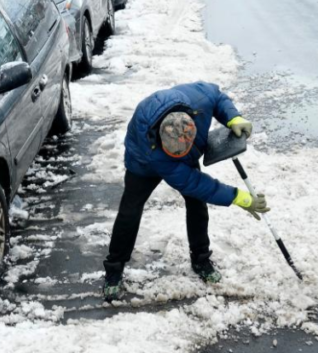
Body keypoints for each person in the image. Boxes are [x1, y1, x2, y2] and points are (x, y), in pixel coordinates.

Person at [103, 82, 270, 301]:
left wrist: (233, 117)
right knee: (130, 211)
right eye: (177, 153)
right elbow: (195, 183)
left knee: (196, 205)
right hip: (141, 162)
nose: (181, 155)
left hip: (175, 152)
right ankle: (114, 270)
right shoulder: (158, 155)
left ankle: (201, 259)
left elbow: (218, 97)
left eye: (186, 149)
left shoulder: (199, 100)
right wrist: (238, 197)